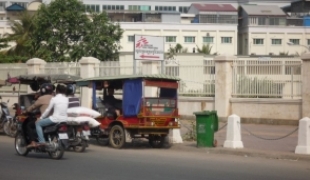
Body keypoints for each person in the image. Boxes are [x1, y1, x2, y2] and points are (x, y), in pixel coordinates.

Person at [25, 83, 54, 148]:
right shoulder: (54, 97)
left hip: (46, 119)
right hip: (54, 119)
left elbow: (33, 107)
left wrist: (26, 111)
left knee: (29, 125)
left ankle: (33, 142)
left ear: (43, 90)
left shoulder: (41, 98)